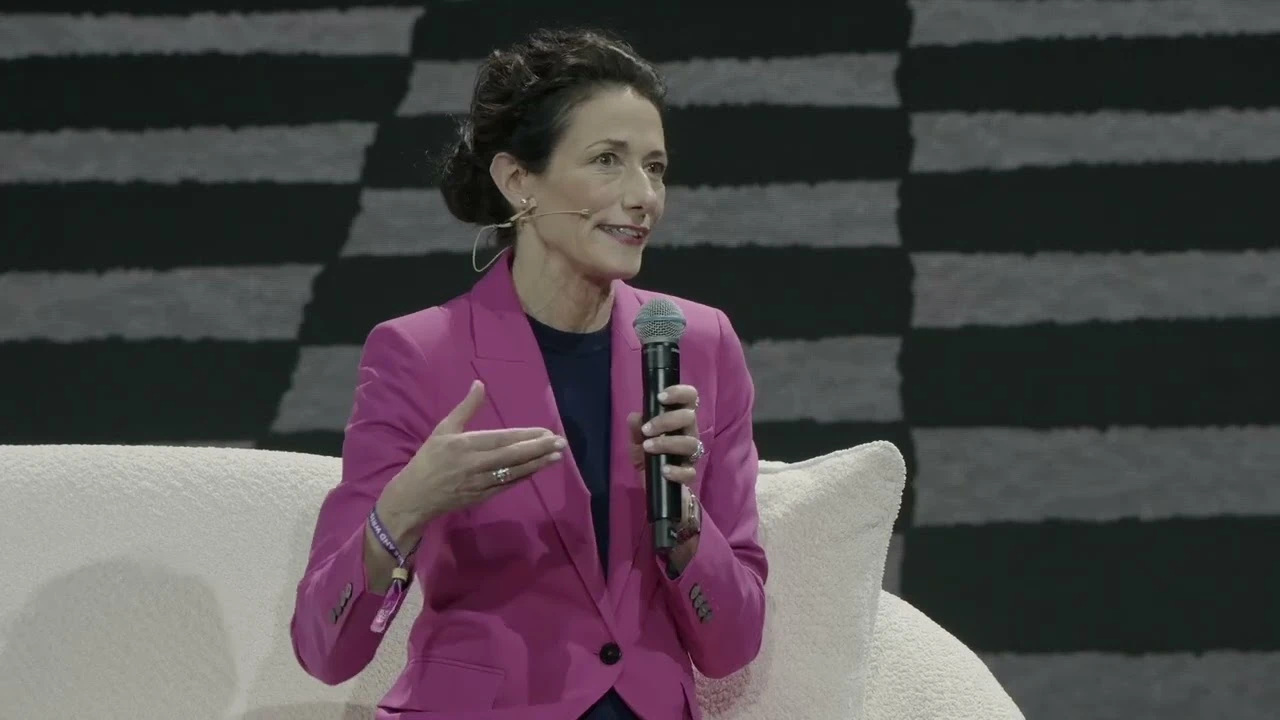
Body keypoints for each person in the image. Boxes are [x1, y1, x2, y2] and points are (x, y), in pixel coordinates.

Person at [290, 28, 768, 720]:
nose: (644, 197)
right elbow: (324, 649)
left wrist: (687, 525)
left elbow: (733, 645)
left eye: (657, 168)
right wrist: (404, 508)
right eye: (609, 161)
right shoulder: (420, 354)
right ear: (519, 181)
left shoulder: (700, 344)